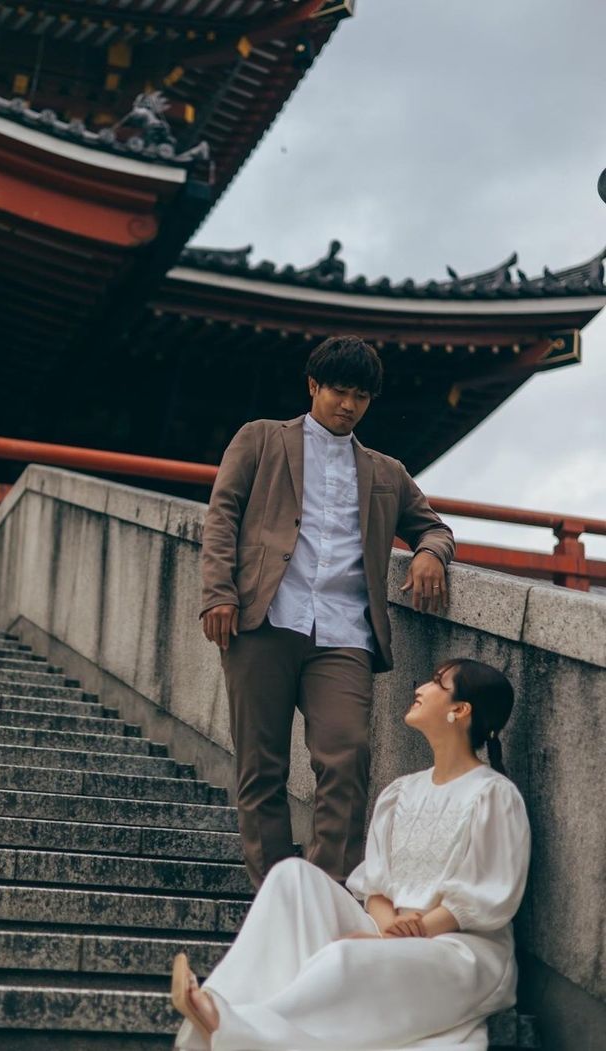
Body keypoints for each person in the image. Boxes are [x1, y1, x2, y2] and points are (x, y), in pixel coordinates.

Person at [172, 658, 531, 1051]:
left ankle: (237, 1026)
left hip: (457, 951)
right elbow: (376, 888)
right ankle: (225, 1001)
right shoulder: (401, 792)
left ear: (460, 710)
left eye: (436, 683)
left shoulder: (493, 794)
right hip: (394, 932)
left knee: (348, 957)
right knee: (292, 877)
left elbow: (485, 897)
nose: (420, 689)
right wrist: (387, 931)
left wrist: (405, 936)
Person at [200, 335, 455, 888]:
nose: (349, 405)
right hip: (264, 621)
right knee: (261, 767)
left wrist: (431, 554)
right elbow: (222, 515)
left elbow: (434, 527)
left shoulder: (386, 472)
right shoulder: (262, 439)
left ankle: (323, 894)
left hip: (344, 633)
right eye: (339, 391)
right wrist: (218, 593)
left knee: (347, 758)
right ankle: (275, 896)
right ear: (313, 385)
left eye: (361, 396)